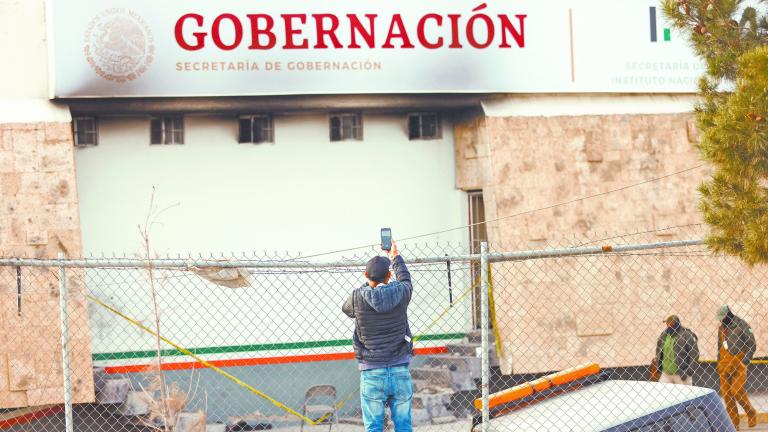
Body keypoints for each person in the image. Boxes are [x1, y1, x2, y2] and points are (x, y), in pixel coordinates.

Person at [342, 240, 413, 431]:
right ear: (389, 275)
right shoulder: (401, 292)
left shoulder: (357, 296)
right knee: (404, 425)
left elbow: (346, 309)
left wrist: (369, 285)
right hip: (399, 367)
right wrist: (395, 257)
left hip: (372, 370)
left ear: (366, 275)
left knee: (373, 426)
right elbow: (406, 279)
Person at [716, 305, 757, 429]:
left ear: (728, 315)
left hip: (739, 363)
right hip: (724, 364)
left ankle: (751, 412)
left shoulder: (742, 325)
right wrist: (718, 362)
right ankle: (734, 424)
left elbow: (752, 344)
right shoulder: (721, 328)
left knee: (736, 391)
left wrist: (744, 361)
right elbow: (719, 347)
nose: (720, 321)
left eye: (722, 318)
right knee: (727, 395)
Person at [655, 315, 699, 385]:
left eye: (672, 325)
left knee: (685, 395)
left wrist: (688, 372)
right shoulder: (664, 335)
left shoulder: (687, 335)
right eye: (668, 325)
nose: (669, 327)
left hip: (681, 375)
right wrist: (658, 366)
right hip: (666, 374)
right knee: (662, 393)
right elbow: (658, 350)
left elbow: (694, 354)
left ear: (677, 324)